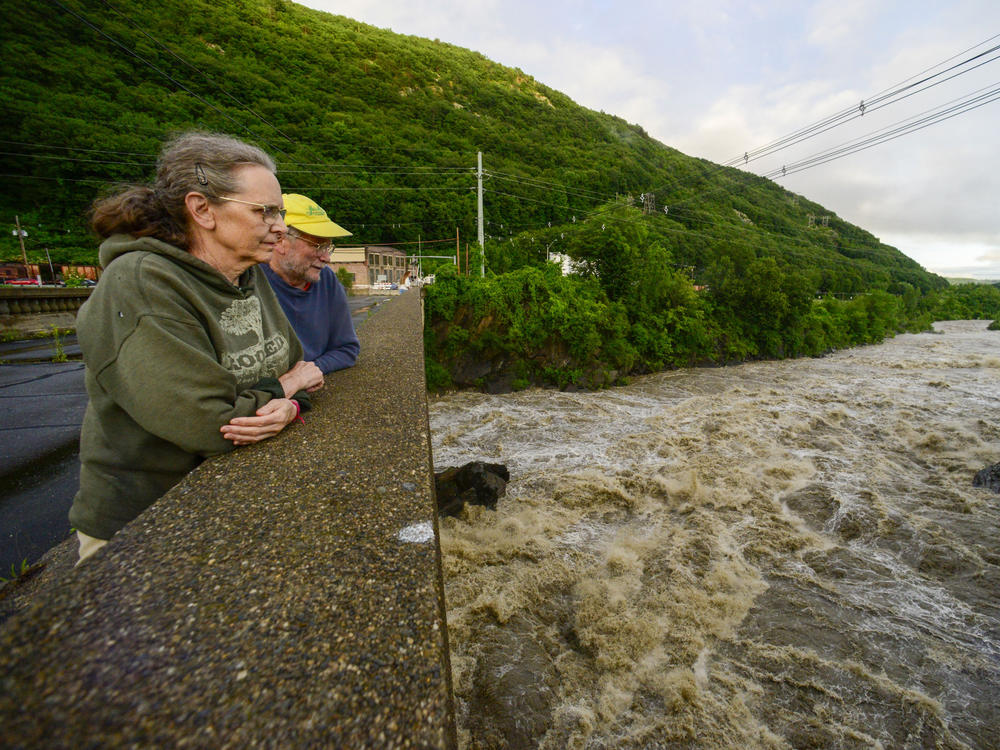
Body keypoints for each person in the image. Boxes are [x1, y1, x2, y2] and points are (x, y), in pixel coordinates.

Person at [69, 131, 322, 562]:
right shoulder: (141, 283)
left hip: (229, 500)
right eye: (265, 212)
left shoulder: (246, 274)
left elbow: (299, 368)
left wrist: (292, 401)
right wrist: (284, 390)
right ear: (202, 209)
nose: (280, 227)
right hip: (142, 527)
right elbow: (211, 423)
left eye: (278, 213)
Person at [260, 193, 360, 375]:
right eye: (317, 245)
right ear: (280, 241)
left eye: (328, 246)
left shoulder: (327, 280)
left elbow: (347, 349)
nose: (326, 258)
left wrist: (308, 372)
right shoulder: (250, 280)